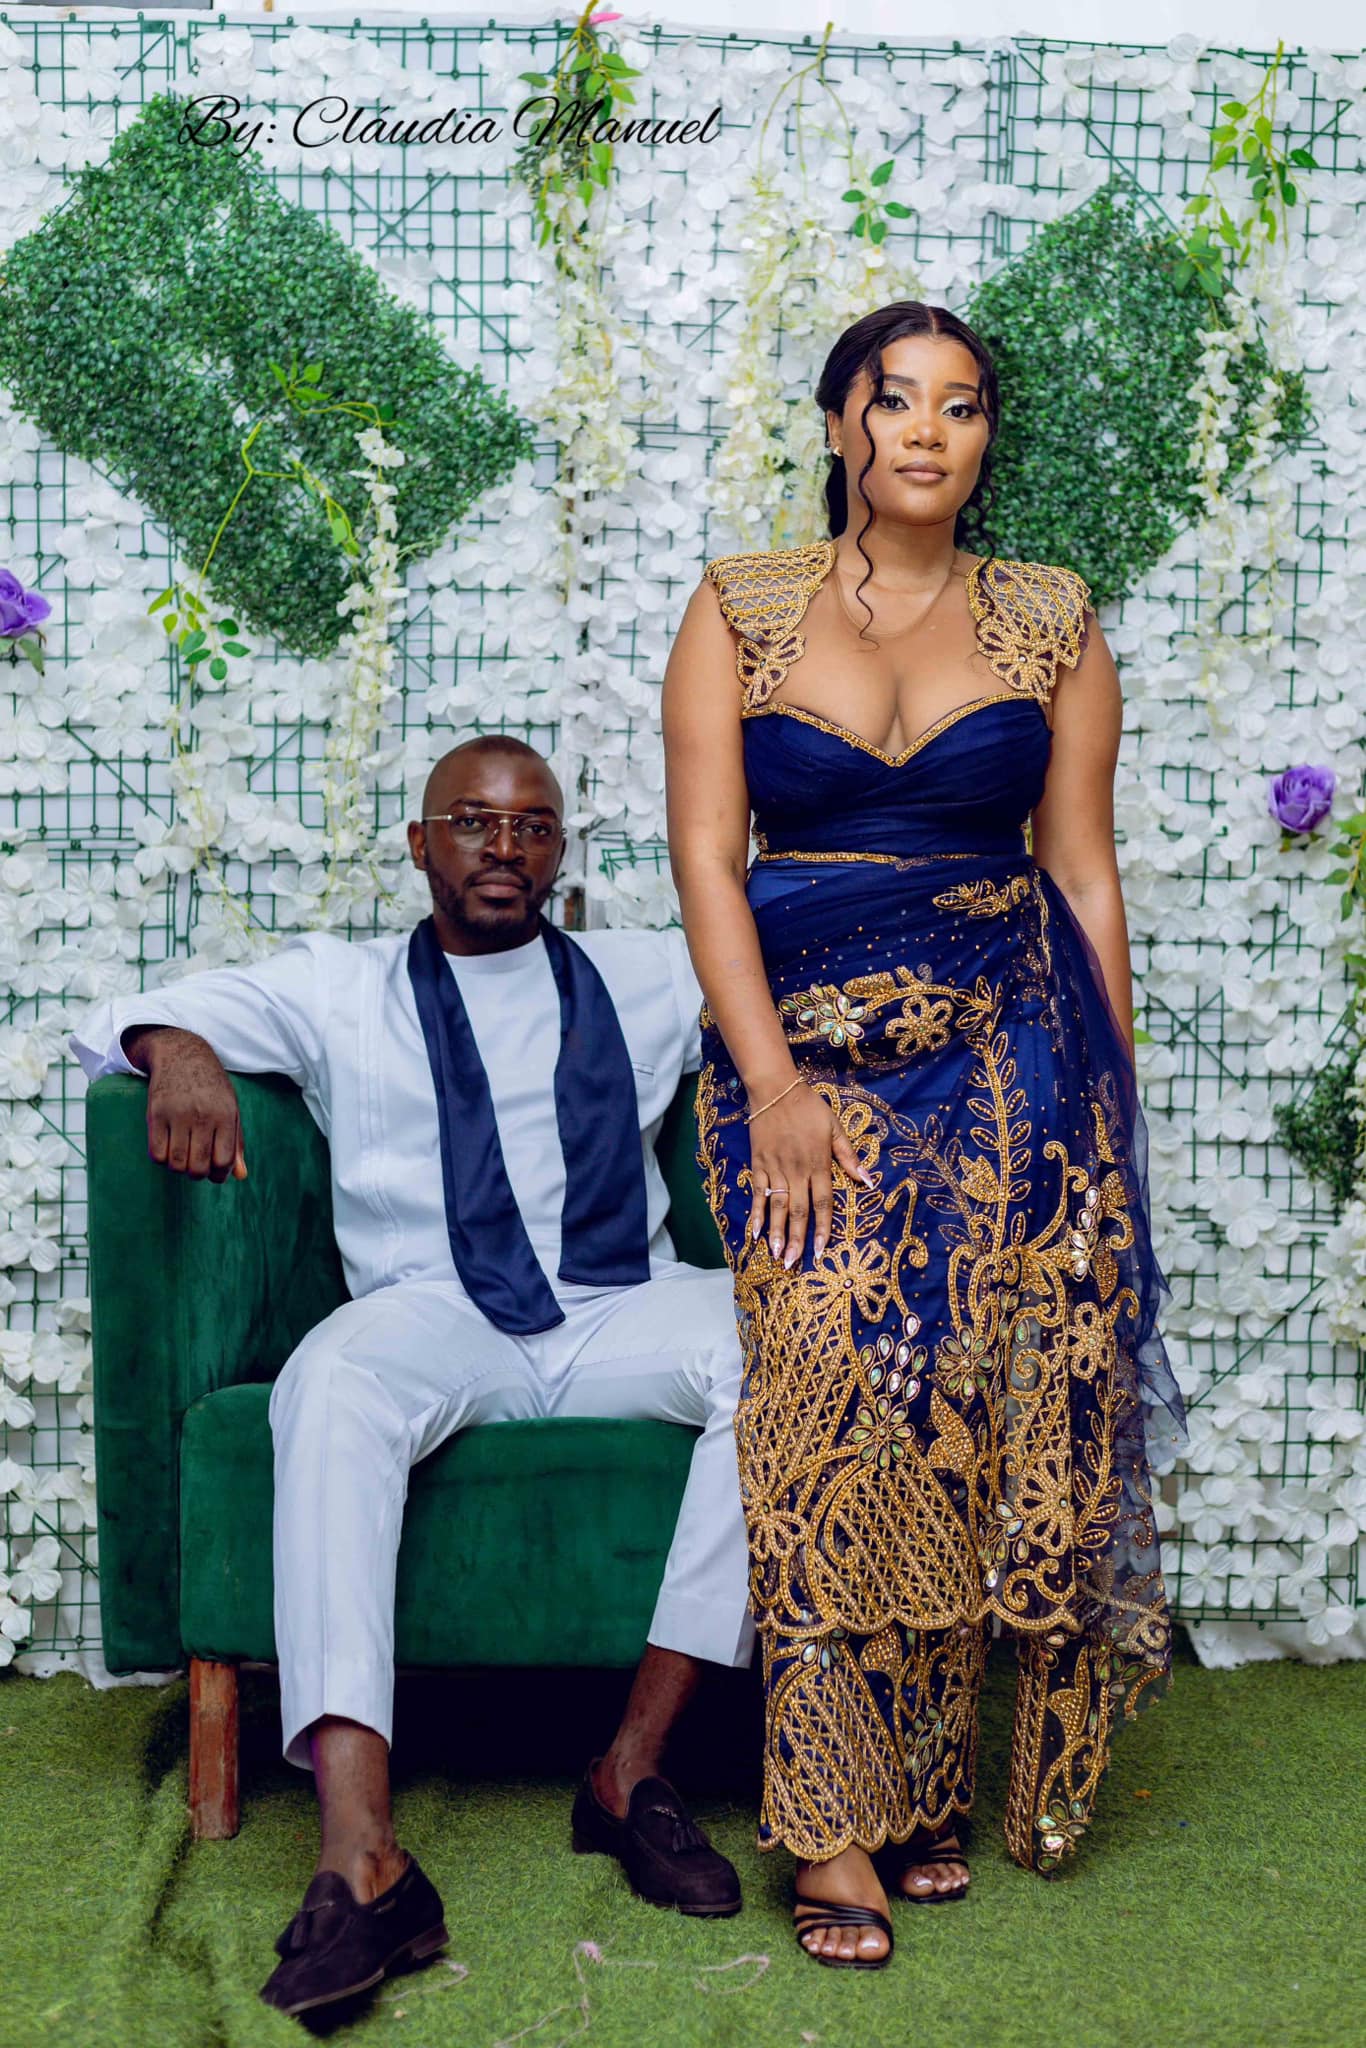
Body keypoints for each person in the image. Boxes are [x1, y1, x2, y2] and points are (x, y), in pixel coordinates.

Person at [69, 736, 754, 2020]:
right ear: (420, 842)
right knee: (327, 1385)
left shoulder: (652, 970)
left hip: (618, 1302)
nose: (506, 846)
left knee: (786, 1349)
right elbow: (131, 1013)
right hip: (434, 1310)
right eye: (474, 820)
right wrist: (182, 1052)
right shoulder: (339, 987)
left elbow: (788, 992)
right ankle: (362, 1855)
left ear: (559, 849)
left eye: (534, 826)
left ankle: (632, 1769)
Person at [661, 301, 1188, 1970]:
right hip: (802, 1065)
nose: (924, 432)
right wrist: (771, 1085)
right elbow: (704, 859)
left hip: (1011, 1050)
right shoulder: (738, 606)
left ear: (981, 443)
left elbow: (1081, 867)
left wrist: (1103, 1105)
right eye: (892, 401)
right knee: (823, 1386)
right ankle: (828, 1824)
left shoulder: (1048, 617)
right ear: (839, 425)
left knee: (957, 1408)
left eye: (960, 408)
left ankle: (918, 1790)